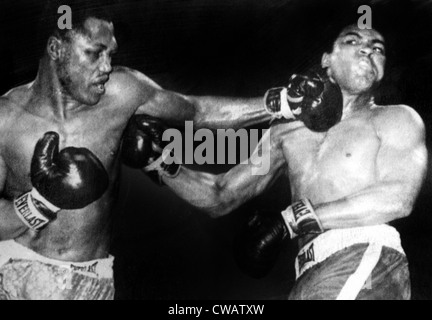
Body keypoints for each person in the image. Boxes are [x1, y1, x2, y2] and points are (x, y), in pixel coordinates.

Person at [0, 2, 279, 300]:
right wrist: (40, 202)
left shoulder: (122, 93)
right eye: (94, 53)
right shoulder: (6, 119)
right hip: (18, 271)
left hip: (89, 280)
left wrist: (281, 103)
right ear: (56, 49)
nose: (106, 67)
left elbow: (196, 110)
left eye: (110, 55)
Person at [134, 25, 428, 300]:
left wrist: (289, 220)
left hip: (367, 254)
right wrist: (159, 163)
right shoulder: (284, 133)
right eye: (353, 41)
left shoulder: (396, 118)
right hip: (310, 271)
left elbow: (397, 198)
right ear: (327, 60)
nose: (368, 50)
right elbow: (222, 193)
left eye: (378, 48)